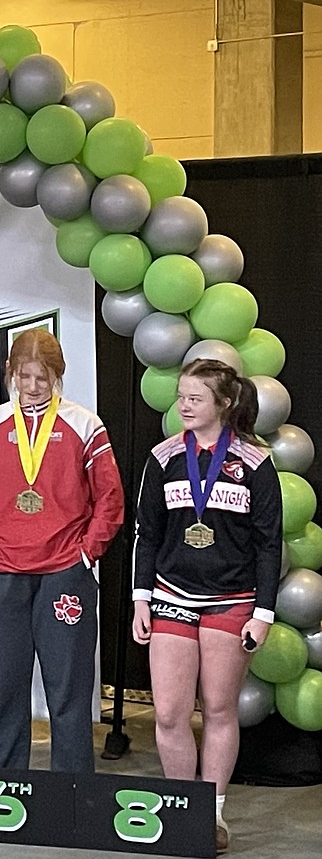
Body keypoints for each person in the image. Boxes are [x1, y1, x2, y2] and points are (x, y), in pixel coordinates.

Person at [132, 358, 280, 854]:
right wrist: (140, 599)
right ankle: (182, 809)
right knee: (171, 713)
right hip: (171, 596)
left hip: (233, 601)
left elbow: (269, 545)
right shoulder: (163, 456)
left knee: (218, 709)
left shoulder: (256, 463)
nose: (184, 406)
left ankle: (212, 816)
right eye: (180, 397)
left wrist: (263, 614)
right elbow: (146, 535)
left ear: (225, 403)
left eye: (195, 398)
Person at [0, 329, 124, 771]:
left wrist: (87, 552)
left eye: (43, 378)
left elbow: (109, 498)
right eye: (25, 376)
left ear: (58, 376)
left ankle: (71, 783)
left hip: (64, 570)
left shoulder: (85, 425)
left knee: (68, 686)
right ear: (10, 372)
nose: (33, 387)